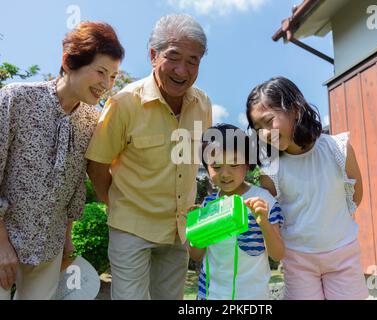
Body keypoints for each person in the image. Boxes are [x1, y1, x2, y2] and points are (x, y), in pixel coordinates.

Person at [86, 14, 212, 300]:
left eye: (193, 60)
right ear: (153, 55)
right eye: (174, 57)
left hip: (178, 231)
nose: (182, 69)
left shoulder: (203, 104)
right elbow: (97, 166)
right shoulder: (124, 103)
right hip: (131, 229)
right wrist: (119, 205)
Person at [0, 21, 124, 300]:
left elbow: (75, 183)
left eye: (114, 76)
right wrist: (1, 244)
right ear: (69, 62)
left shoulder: (92, 120)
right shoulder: (15, 99)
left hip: (49, 245)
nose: (106, 84)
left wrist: (67, 237)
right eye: (101, 72)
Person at [246, 76, 369, 300]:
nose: (264, 133)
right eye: (257, 127)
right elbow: (272, 215)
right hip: (297, 259)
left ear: (295, 109)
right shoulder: (270, 168)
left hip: (343, 254)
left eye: (268, 120)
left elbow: (356, 195)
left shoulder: (337, 148)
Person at [188, 124, 284, 300]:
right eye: (216, 166)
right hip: (210, 295)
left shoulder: (265, 200)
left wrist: (264, 223)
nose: (225, 173)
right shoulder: (209, 203)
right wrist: (196, 230)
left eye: (234, 163)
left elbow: (277, 254)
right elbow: (196, 255)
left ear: (247, 164)